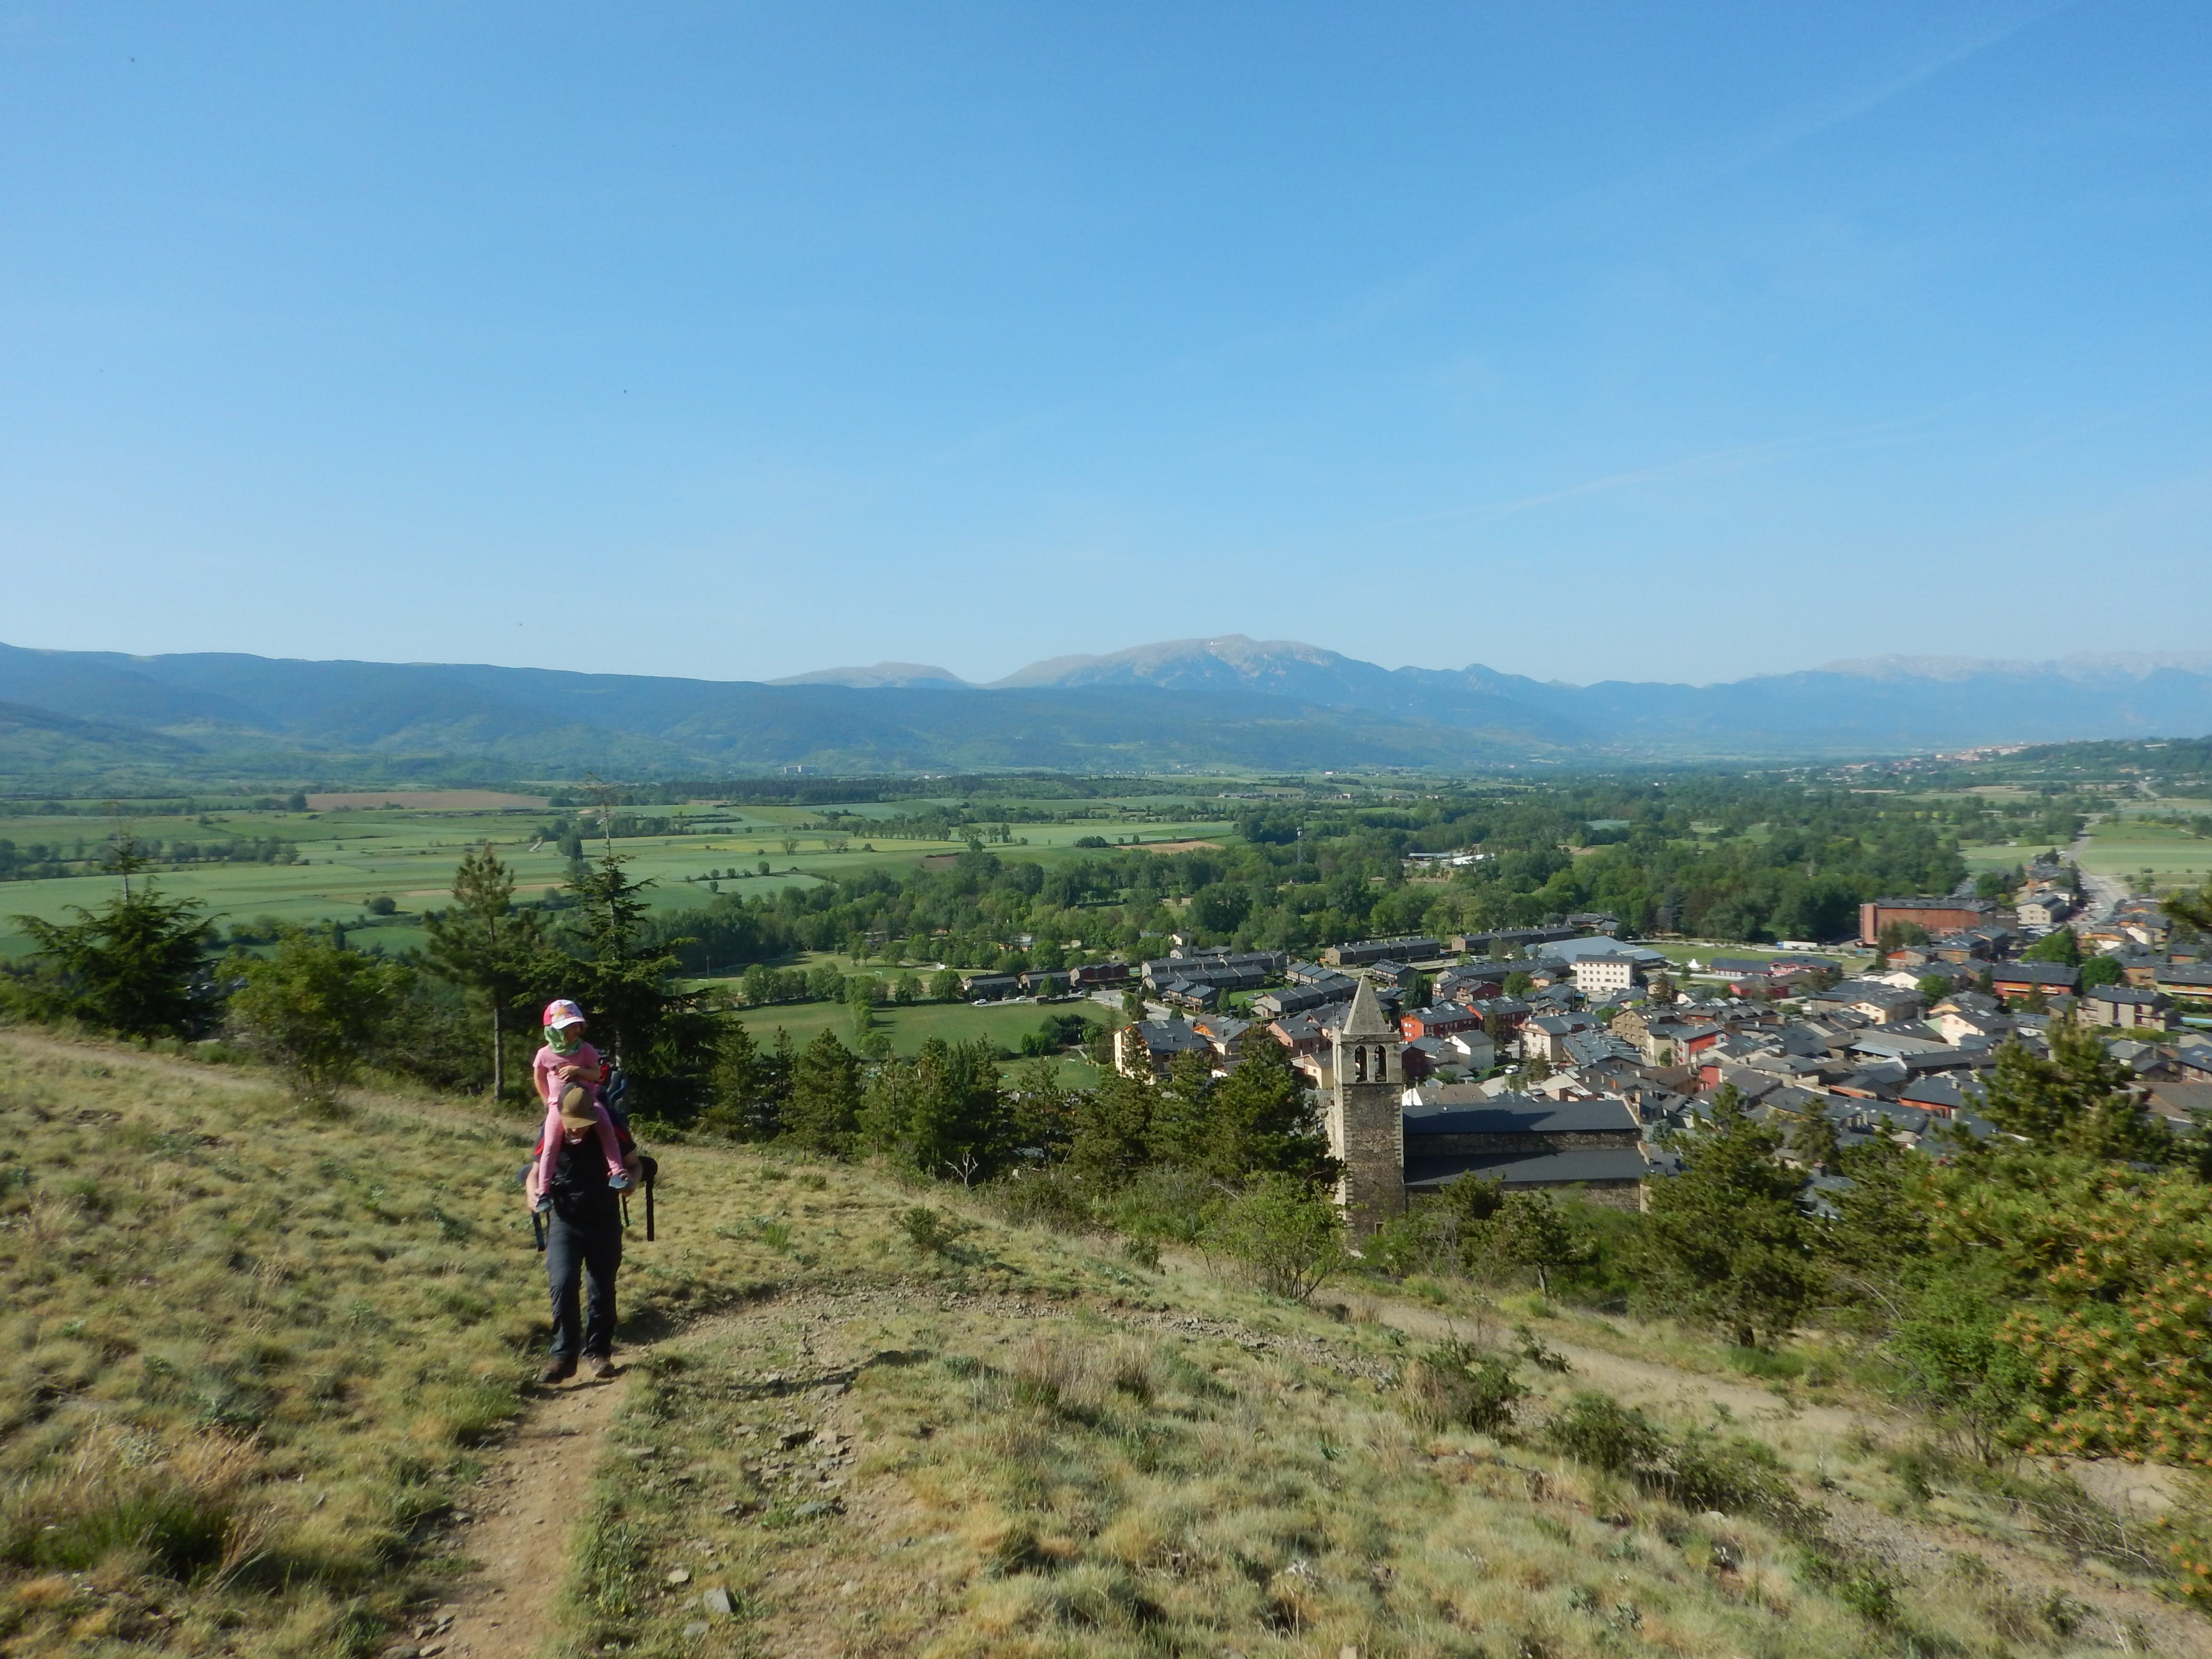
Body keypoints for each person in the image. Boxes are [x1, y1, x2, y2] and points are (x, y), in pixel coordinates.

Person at [524, 1000, 640, 1383]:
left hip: (604, 1217)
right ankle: (564, 1356)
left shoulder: (607, 1124)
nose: (576, 1132)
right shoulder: (552, 1126)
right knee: (562, 1283)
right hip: (565, 1220)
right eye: (571, 1126)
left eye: (581, 1126)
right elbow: (532, 1168)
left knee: (602, 1287)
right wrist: (533, 1194)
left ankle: (599, 1353)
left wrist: (630, 1182)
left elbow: (640, 1163)